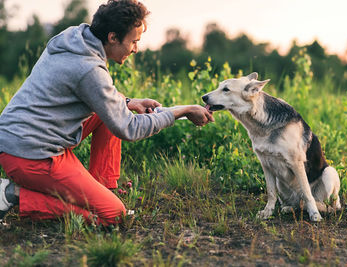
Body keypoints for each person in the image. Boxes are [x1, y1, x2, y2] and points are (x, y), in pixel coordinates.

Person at [0, 0, 214, 225]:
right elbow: (128, 128)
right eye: (134, 41)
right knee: (112, 216)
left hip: (20, 137)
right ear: (113, 37)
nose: (136, 49)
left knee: (110, 114)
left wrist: (130, 102)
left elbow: (98, 95)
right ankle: (11, 194)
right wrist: (181, 111)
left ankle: (103, 189)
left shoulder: (75, 38)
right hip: (33, 155)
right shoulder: (89, 68)